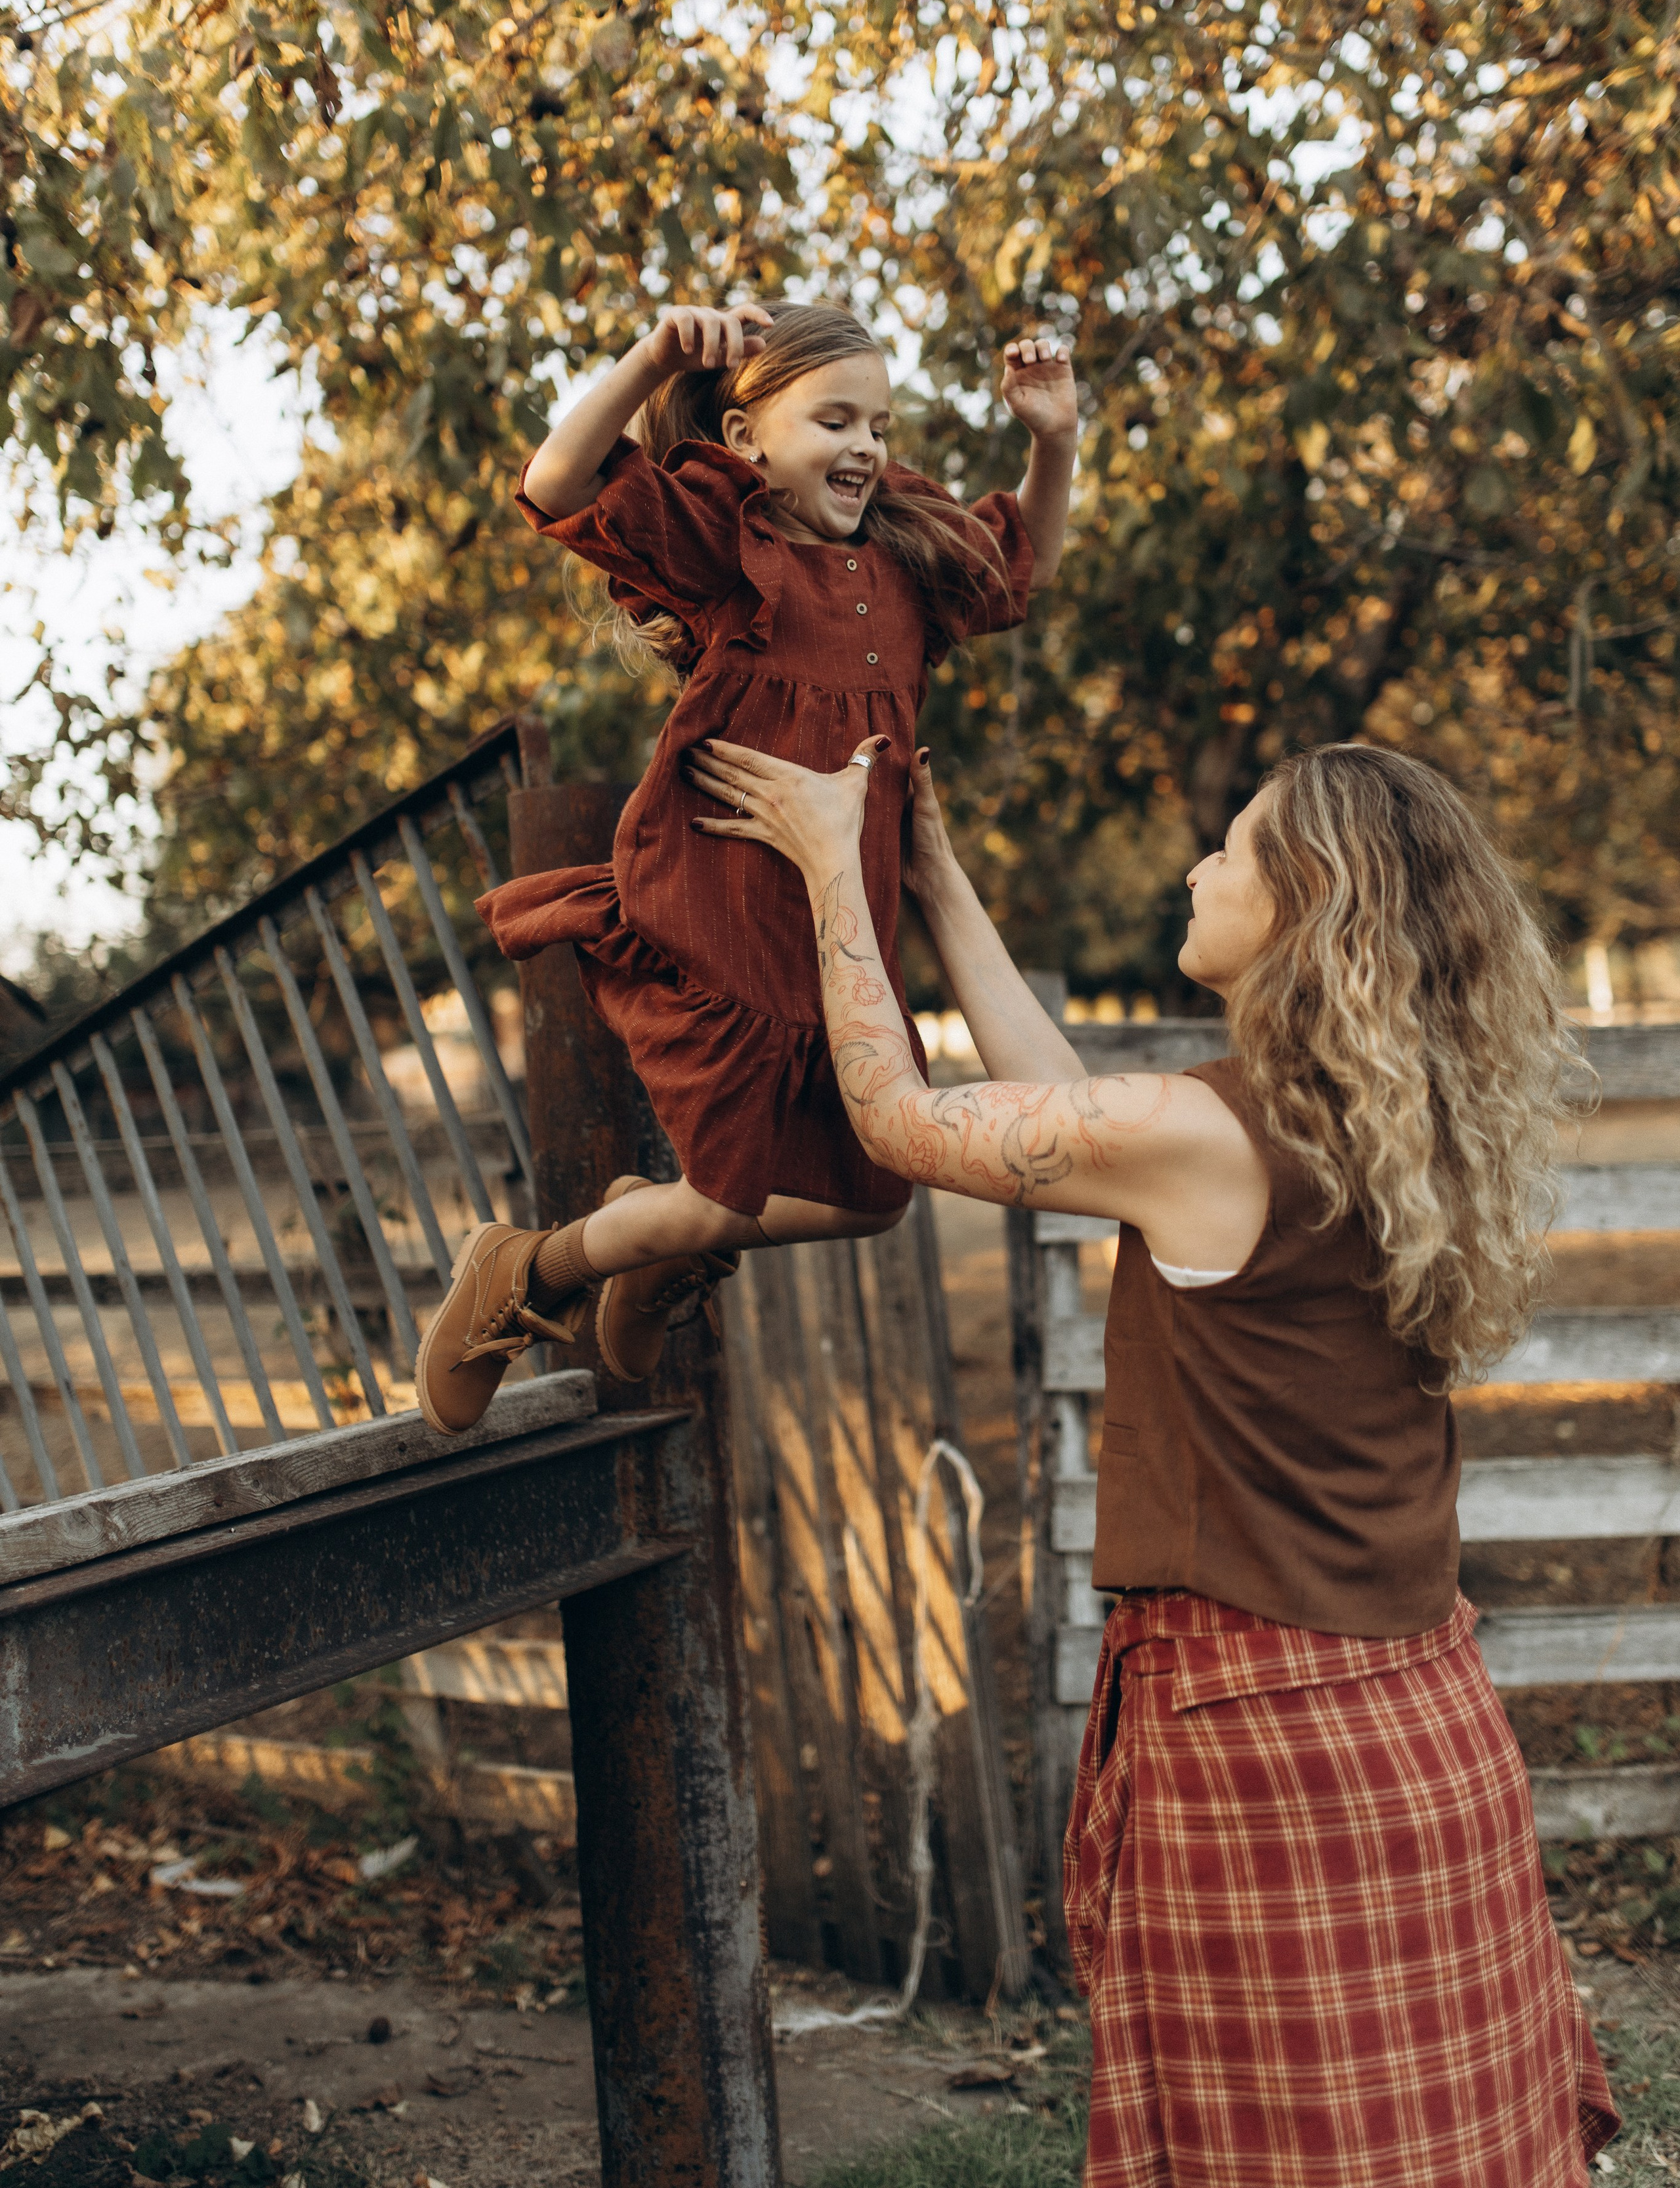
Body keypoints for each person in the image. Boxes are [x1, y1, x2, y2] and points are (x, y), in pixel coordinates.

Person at [675, 728, 1619, 2187]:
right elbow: (1069, 1111)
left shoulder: (1213, 1135)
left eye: (1229, 849)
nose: (1194, 867)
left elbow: (897, 1120)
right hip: (1419, 1725)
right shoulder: (1381, 1126)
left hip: (1269, 1746)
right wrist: (935, 880)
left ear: (1303, 904)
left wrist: (825, 867)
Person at [413, 299, 1077, 1432]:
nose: (866, 447)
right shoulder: (730, 547)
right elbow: (557, 483)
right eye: (835, 420)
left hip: (838, 940)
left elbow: (1022, 566)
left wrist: (1053, 441)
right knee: (726, 1195)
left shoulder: (908, 563)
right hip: (718, 915)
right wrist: (651, 355)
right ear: (746, 439)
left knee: (876, 1195)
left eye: (880, 425)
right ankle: (525, 1269)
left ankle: (658, 1243)